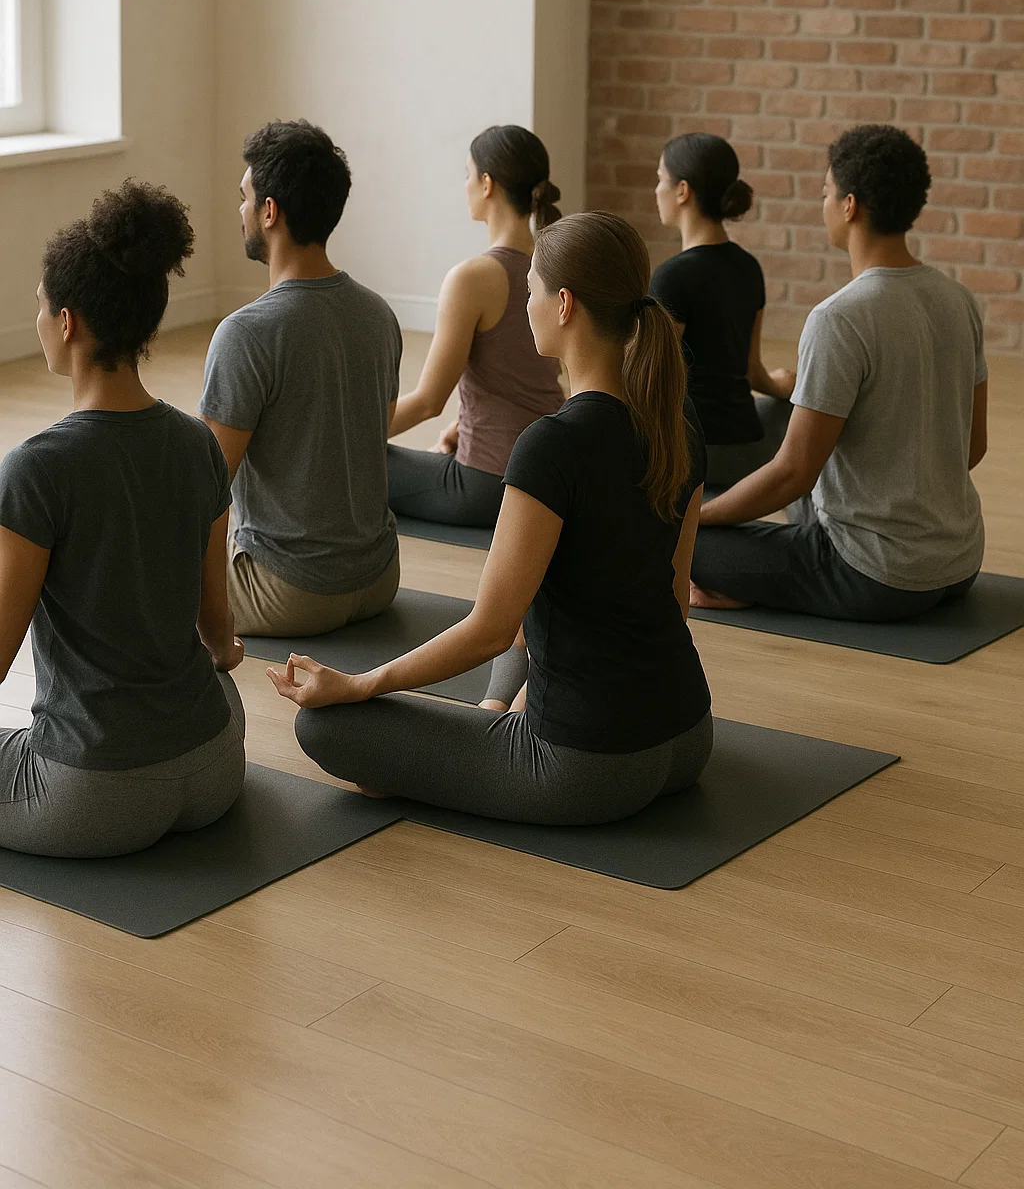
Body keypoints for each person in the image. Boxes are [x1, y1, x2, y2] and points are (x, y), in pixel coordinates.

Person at [268, 212, 713, 827]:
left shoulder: (552, 444)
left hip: (586, 768)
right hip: (687, 737)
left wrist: (361, 685)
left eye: (529, 290)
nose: (523, 305)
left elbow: (489, 631)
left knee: (327, 728)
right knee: (540, 604)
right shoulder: (677, 427)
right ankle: (493, 709)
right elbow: (674, 599)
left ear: (563, 305)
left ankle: (478, 734)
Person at [0, 182, 245, 858]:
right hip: (214, 770)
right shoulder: (198, 443)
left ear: (69, 321)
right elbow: (218, 634)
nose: (41, 318)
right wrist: (221, 655)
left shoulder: (36, 468)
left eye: (44, 307)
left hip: (94, 797)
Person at [691, 124, 988, 623]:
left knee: (682, 547)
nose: (823, 204)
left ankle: (754, 585)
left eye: (826, 193)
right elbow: (972, 448)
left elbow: (792, 473)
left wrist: (694, 518)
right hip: (960, 563)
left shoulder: (839, 318)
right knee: (795, 434)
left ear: (850, 206)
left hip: (876, 577)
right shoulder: (958, 300)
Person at [200, 120, 402, 638]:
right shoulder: (379, 315)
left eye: (245, 198)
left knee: (123, 568)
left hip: (288, 594)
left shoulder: (245, 334)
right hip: (379, 580)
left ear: (270, 212)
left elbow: (204, 490)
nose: (240, 210)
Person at [386, 125, 565, 527]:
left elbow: (429, 401)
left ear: (487, 183)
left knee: (342, 467)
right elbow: (527, 376)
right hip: (547, 476)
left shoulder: (472, 278)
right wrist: (462, 426)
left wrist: (342, 439)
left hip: (486, 485)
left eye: (467, 174)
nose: (464, 184)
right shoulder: (555, 268)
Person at [651, 132, 794, 489]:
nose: (656, 190)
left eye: (660, 180)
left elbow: (653, 379)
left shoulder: (672, 277)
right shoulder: (749, 267)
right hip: (750, 451)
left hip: (700, 458)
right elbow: (752, 374)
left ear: (683, 190)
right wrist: (786, 385)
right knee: (780, 412)